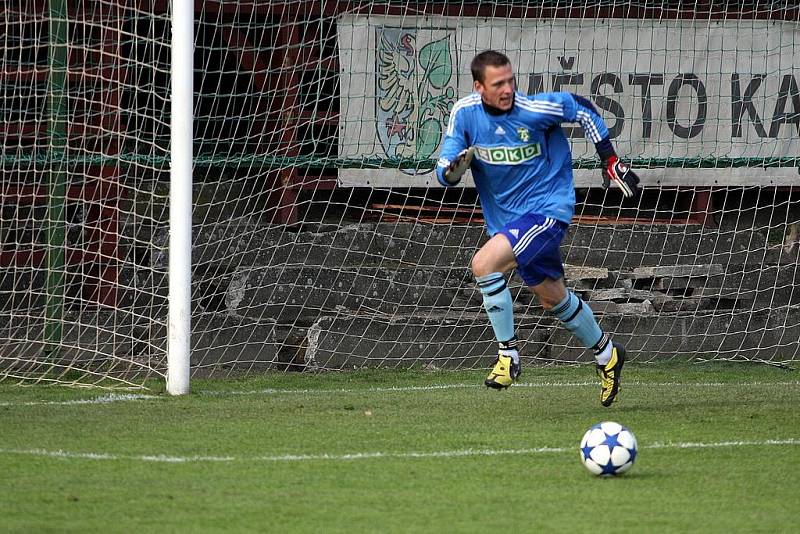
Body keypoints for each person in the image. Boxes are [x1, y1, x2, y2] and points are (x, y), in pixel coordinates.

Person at [435, 50, 641, 406]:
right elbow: (446, 165)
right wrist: (450, 171)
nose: (507, 89)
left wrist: (610, 161)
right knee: (552, 298)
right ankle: (608, 354)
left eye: (510, 81)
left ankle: (508, 357)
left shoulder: (533, 110)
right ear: (479, 86)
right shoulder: (465, 114)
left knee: (483, 264)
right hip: (508, 222)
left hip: (548, 211)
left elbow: (582, 108)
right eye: (498, 84)